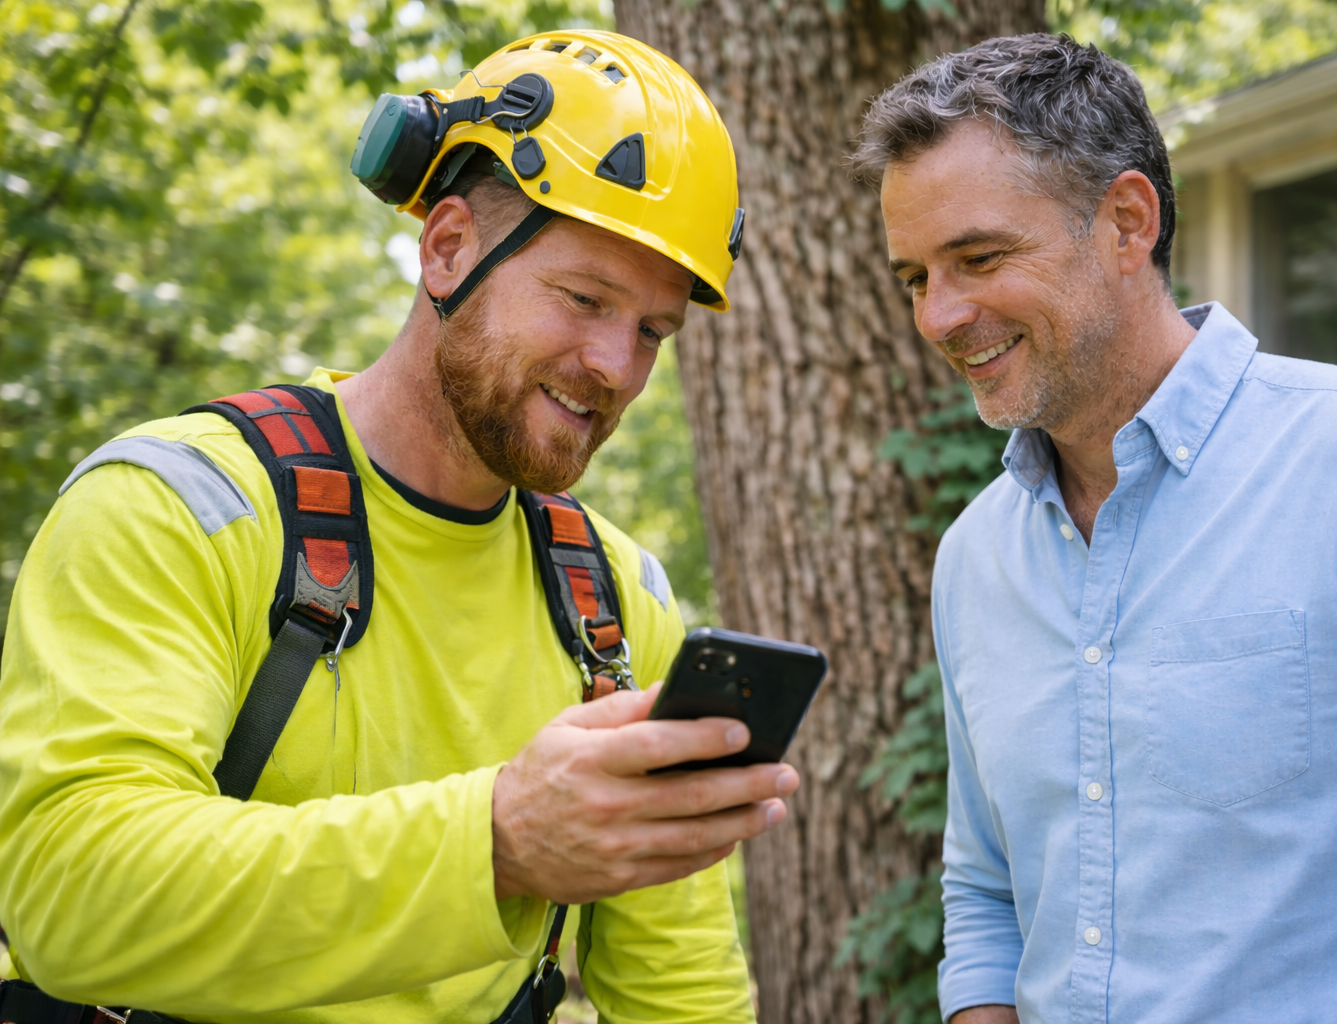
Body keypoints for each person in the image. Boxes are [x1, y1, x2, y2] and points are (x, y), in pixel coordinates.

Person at [0, 30, 794, 1024]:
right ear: (448, 246)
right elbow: (67, 897)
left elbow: (683, 994)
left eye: (652, 331)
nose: (615, 366)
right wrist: (496, 840)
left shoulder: (615, 602)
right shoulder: (184, 505)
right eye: (585, 298)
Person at [852, 33, 1337, 1024]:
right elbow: (988, 891)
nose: (941, 315)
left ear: (1128, 222)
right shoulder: (975, 558)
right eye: (914, 277)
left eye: (979, 257)